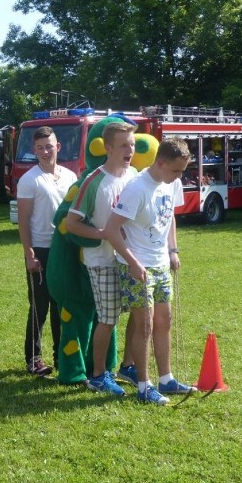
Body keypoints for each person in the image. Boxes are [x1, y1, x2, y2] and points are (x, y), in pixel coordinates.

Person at [103, 138, 195, 405]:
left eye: (182, 171)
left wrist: (173, 251)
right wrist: (132, 262)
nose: (180, 177)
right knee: (144, 325)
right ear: (161, 162)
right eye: (176, 171)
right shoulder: (137, 189)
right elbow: (111, 229)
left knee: (164, 321)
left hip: (161, 264)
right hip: (137, 267)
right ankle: (144, 386)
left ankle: (166, 379)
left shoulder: (171, 183)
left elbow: (170, 217)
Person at [64, 122, 140, 396]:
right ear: (108, 148)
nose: (129, 150)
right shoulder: (94, 181)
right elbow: (71, 223)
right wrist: (103, 234)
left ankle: (128, 366)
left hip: (131, 258)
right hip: (103, 261)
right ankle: (98, 375)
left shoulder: (135, 176)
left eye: (132, 144)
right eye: (123, 145)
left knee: (138, 312)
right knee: (108, 319)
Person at [16, 126, 76, 376]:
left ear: (58, 147)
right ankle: (34, 359)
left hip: (64, 249)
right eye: (39, 147)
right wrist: (29, 254)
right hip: (40, 250)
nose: (44, 151)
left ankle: (61, 356)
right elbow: (23, 220)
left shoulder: (71, 176)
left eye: (48, 146)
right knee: (40, 306)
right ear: (34, 150)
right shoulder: (29, 180)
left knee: (62, 304)